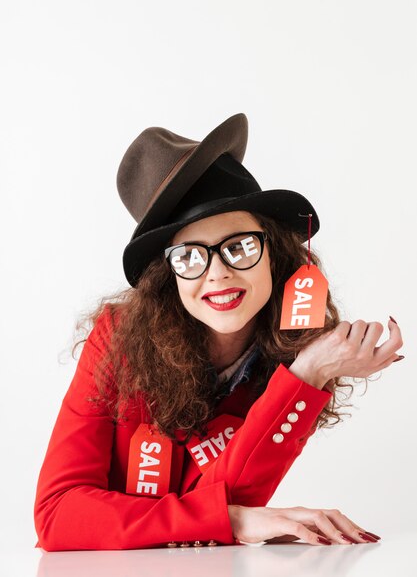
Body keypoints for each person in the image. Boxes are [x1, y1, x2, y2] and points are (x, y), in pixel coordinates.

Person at [33, 113, 403, 551]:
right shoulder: (116, 338)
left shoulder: (291, 353)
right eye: (190, 257)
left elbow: (229, 502)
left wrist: (306, 375)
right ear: (167, 279)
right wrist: (222, 519)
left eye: (240, 246)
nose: (218, 274)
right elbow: (57, 515)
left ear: (275, 252)